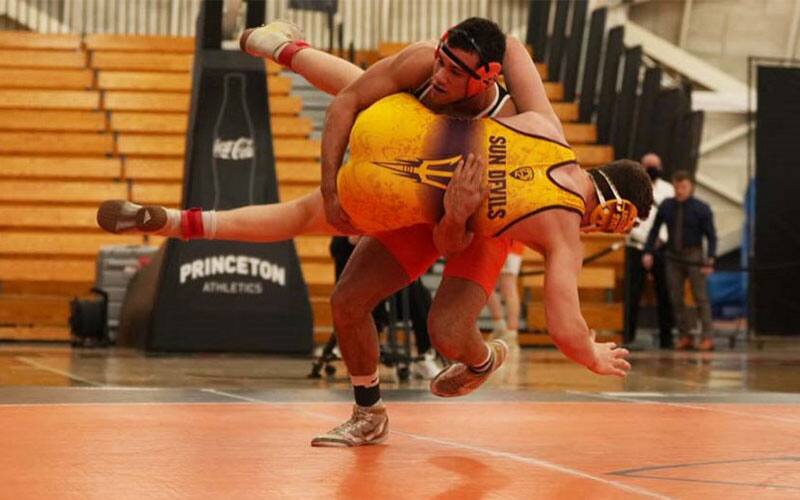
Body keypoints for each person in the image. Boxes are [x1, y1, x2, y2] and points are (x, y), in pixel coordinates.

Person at [97, 18, 651, 447]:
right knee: (345, 292)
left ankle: (481, 359)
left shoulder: (542, 152)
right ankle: (369, 413)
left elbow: (466, 248)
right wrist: (588, 355)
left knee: (447, 331)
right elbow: (565, 324)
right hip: (425, 180)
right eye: (444, 64)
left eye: (457, 73)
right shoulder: (498, 105)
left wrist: (458, 216)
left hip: (471, 221)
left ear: (487, 80)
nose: (441, 79)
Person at [329, 236, 440, 379]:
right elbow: (336, 250)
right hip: (361, 292)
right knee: (364, 293)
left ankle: (423, 356)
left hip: (394, 295)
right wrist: (353, 241)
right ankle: (356, 350)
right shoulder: (345, 231)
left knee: (419, 292)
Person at [644, 170, 717, 351]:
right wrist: (648, 251)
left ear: (690, 187)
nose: (680, 191)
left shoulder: (701, 208)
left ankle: (707, 336)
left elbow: (711, 236)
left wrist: (711, 258)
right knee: (675, 297)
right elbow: (654, 230)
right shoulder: (667, 206)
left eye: (683, 187)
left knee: (700, 297)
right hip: (672, 256)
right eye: (677, 187)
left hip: (694, 255)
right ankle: (685, 335)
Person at [624, 153, 674, 349]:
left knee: (665, 293)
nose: (651, 169)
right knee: (632, 294)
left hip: (660, 247)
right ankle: (629, 337)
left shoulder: (668, 190)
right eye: (648, 166)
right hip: (636, 245)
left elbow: (669, 220)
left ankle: (667, 339)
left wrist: (656, 245)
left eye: (655, 166)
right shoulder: (631, 187)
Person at [485, 240, 524, 345]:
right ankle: (505, 328)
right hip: (508, 246)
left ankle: (508, 329)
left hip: (505, 245)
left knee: (506, 288)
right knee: (491, 286)